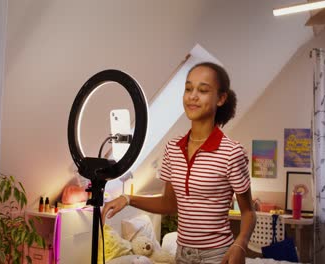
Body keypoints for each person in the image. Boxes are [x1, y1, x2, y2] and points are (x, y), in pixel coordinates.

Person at [102, 62, 256, 264]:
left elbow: (248, 212)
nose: (192, 96)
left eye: (202, 90)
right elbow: (169, 203)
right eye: (188, 88)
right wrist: (128, 198)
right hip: (182, 255)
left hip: (218, 256)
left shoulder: (231, 152)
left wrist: (240, 244)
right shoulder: (173, 148)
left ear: (221, 98)